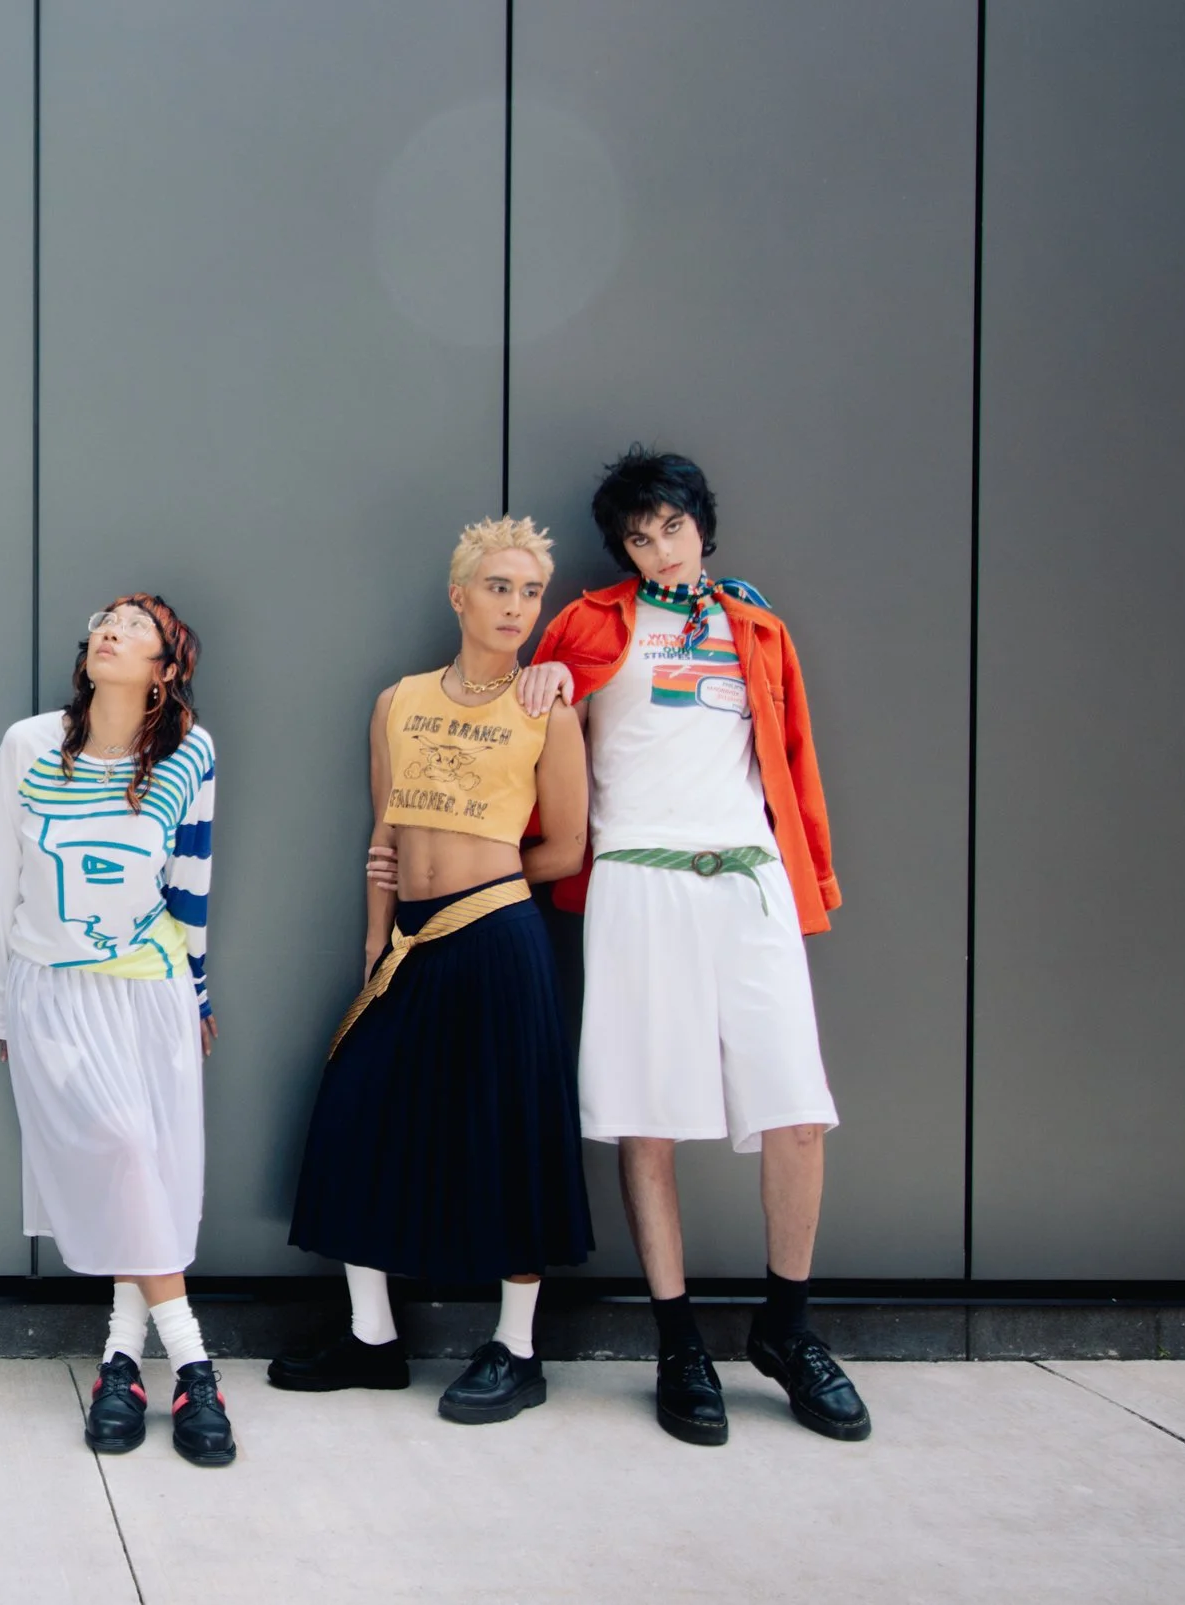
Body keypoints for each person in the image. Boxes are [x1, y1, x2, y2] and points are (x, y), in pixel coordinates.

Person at [521, 447, 869, 1446]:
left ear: (700, 525)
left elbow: (791, 760)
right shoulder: (587, 622)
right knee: (647, 1116)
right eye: (638, 535)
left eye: (670, 526)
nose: (657, 548)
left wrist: (813, 881)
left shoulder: (753, 622)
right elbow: (544, 736)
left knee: (795, 1108)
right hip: (637, 876)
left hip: (746, 877)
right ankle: (678, 1340)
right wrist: (547, 680)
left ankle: (787, 1329)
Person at [270, 517, 594, 1424]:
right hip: (409, 944)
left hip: (497, 939)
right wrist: (376, 940)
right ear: (460, 594)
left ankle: (518, 1347)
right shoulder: (399, 700)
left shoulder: (546, 706)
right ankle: (372, 1339)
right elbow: (384, 833)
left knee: (510, 1129)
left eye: (531, 592)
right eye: (499, 587)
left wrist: (483, 883)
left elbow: (567, 847)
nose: (516, 607)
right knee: (354, 1112)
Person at [0, 595, 233, 1467]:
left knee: (149, 1172)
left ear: (164, 669)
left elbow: (192, 882)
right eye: (104, 618)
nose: (110, 628)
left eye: (135, 625)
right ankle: (196, 1361)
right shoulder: (28, 743)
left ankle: (120, 1363)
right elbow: (6, 883)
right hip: (53, 988)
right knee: (127, 1150)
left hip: (152, 989)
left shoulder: (190, 751)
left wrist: (198, 993)